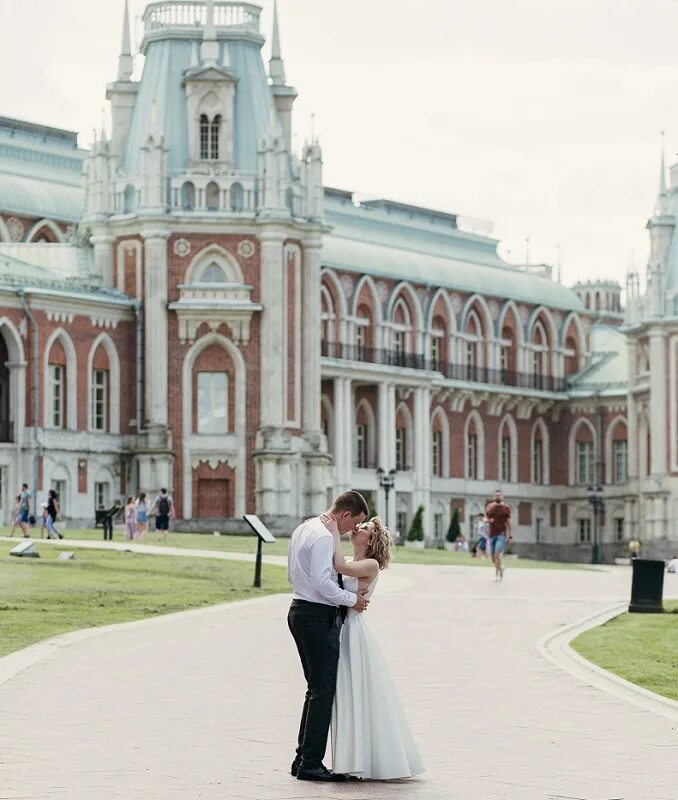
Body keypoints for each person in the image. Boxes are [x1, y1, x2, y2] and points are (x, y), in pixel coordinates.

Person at [329, 516, 424, 780]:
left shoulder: (370, 564)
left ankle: (365, 760)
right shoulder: (352, 562)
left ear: (370, 541)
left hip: (355, 631)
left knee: (358, 688)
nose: (358, 528)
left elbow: (336, 565)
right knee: (348, 691)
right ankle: (351, 758)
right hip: (343, 627)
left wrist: (334, 532)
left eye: (365, 528)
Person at [287, 490, 370, 783]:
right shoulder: (323, 537)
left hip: (298, 609)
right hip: (317, 615)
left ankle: (302, 758)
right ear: (345, 514)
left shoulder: (304, 527)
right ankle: (310, 762)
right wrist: (351, 599)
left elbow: (295, 573)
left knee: (315, 689)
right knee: (323, 691)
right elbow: (323, 581)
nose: (351, 531)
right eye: (353, 523)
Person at [486, 489, 512, 580]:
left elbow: (508, 522)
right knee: (493, 558)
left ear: (502, 497)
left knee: (497, 554)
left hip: (501, 534)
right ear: (494, 497)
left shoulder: (506, 508)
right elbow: (485, 519)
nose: (497, 497)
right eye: (496, 495)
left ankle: (497, 575)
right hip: (491, 534)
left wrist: (510, 536)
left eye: (499, 495)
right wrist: (489, 520)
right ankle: (501, 568)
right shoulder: (489, 507)